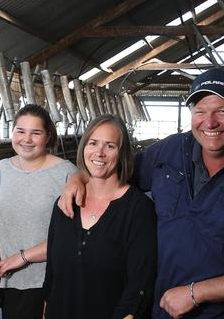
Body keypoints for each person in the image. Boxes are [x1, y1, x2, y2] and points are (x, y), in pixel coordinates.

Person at [58, 69, 224, 318]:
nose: (210, 122)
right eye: (200, 111)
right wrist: (78, 177)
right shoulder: (173, 149)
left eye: (221, 111)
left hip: (216, 314)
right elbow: (118, 170)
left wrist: (196, 293)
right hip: (154, 306)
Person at [44, 114, 157, 319]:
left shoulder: (138, 210)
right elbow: (52, 272)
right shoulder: (65, 203)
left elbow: (140, 284)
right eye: (93, 143)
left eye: (110, 146)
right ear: (84, 147)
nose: (99, 152)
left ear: (122, 153)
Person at [0, 104, 77, 319]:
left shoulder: (66, 173)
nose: (26, 139)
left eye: (35, 133)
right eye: (20, 131)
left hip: (49, 278)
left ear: (48, 136)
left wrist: (24, 257)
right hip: (9, 278)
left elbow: (72, 236)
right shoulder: (0, 170)